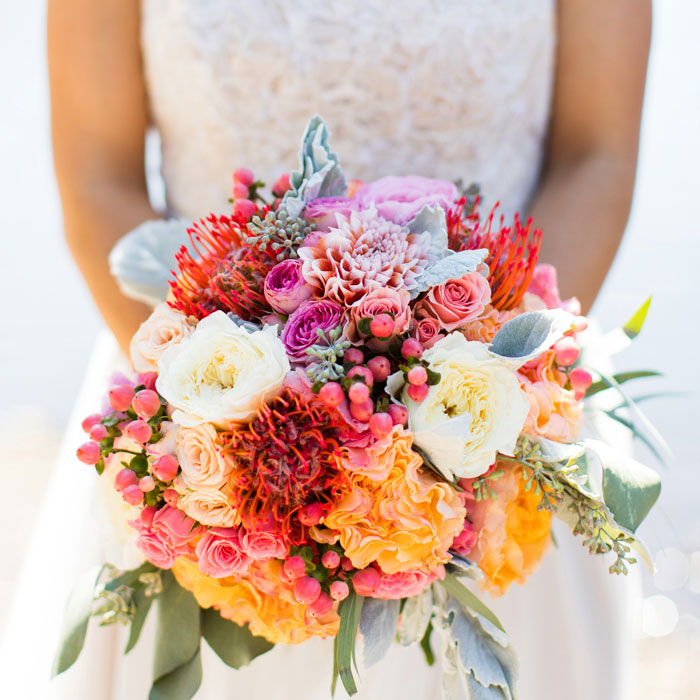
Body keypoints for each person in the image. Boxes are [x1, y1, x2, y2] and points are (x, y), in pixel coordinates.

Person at [6, 1, 650, 698]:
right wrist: (223, 436)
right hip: (200, 408)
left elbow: (596, 155)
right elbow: (100, 180)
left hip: (497, 430)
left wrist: (485, 403)